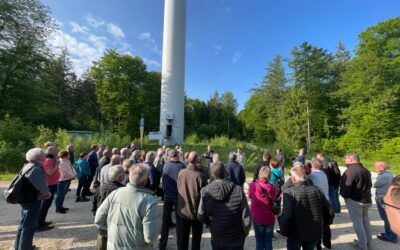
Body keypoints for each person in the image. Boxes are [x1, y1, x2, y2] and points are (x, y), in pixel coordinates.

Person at [95, 164, 161, 250]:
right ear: (145, 180)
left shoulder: (116, 193)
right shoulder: (149, 201)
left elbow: (98, 220)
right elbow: (150, 237)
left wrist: (113, 230)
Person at [198, 162, 251, 250]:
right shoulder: (238, 190)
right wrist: (244, 233)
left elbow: (200, 215)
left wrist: (210, 224)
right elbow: (246, 217)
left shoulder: (205, 191)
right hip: (235, 237)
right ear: (225, 172)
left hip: (218, 235)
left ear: (212, 174)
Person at [279, 165, 331, 250]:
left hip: (295, 233)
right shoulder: (317, 189)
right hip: (312, 230)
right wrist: (323, 226)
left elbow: (287, 215)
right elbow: (328, 210)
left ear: (294, 178)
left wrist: (284, 232)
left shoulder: (289, 192)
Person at [15, 148, 51, 250]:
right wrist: (47, 193)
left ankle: (21, 247)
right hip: (32, 200)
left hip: (27, 199)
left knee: (24, 225)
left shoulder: (28, 166)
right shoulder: (35, 168)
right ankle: (25, 248)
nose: (45, 155)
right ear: (38, 157)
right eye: (43, 154)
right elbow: (41, 186)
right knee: (29, 226)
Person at [340, 153, 373, 250]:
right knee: (365, 221)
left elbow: (347, 186)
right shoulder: (366, 170)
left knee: (358, 222)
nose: (345, 161)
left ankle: (362, 245)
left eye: (346, 159)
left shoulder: (350, 171)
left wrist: (344, 195)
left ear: (351, 159)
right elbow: (369, 185)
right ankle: (368, 244)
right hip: (366, 199)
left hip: (355, 200)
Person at [177, 151, 208, 250]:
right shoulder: (200, 176)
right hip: (195, 212)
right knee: (196, 239)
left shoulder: (181, 173)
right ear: (196, 160)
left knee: (183, 238)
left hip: (183, 211)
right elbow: (205, 196)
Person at [93, 165, 126, 249]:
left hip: (102, 222)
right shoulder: (123, 191)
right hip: (115, 223)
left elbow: (94, 205)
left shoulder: (99, 188)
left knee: (102, 242)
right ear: (120, 177)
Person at [159, 149, 184, 250]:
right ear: (177, 156)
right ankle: (180, 245)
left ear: (170, 156)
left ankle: (162, 245)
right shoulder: (181, 166)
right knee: (179, 221)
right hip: (178, 196)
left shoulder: (166, 165)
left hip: (167, 196)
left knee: (165, 221)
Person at [248, 167, 276, 250]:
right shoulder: (272, 187)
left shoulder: (253, 185)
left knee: (259, 241)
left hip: (257, 216)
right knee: (268, 241)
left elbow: (249, 196)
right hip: (269, 217)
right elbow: (274, 199)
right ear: (269, 176)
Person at [308, 160, 331, 250]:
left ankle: (318, 245)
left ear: (312, 166)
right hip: (326, 200)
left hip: (318, 201)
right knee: (326, 224)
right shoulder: (323, 174)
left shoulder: (312, 175)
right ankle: (327, 244)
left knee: (317, 224)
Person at [373, 161, 397, 243]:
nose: (374, 168)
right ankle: (389, 233)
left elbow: (374, 184)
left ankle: (391, 236)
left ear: (382, 167)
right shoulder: (387, 174)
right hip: (386, 200)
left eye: (375, 167)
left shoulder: (384, 176)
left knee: (387, 219)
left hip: (384, 201)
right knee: (387, 218)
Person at [37, 146, 59, 231]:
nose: (57, 151)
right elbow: (49, 172)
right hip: (49, 185)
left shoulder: (50, 159)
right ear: (50, 151)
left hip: (52, 184)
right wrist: (57, 165)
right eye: (55, 150)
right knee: (45, 205)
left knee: (46, 205)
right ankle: (40, 224)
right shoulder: (48, 160)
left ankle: (42, 221)